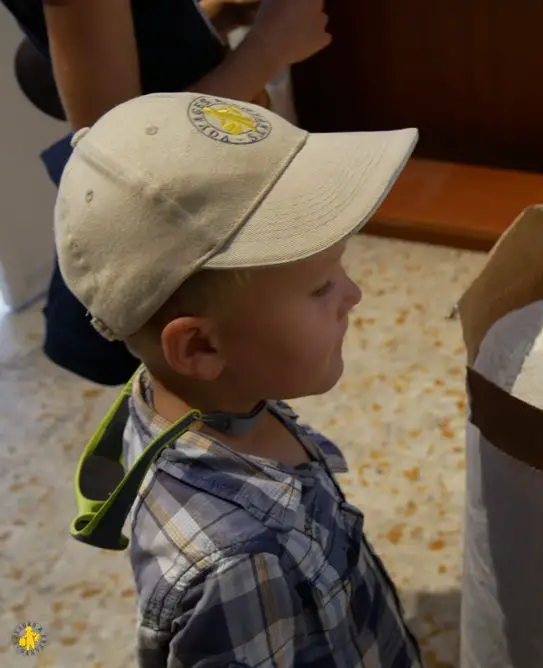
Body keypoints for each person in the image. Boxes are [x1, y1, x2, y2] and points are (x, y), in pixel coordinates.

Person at [60, 91, 422, 665]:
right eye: (321, 286)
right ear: (201, 345)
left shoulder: (208, 398)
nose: (354, 294)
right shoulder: (235, 563)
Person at [0, 0, 331, 385]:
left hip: (194, 189)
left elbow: (136, 44)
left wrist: (210, 22)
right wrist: (269, 47)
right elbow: (122, 156)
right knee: (213, 384)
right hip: (178, 213)